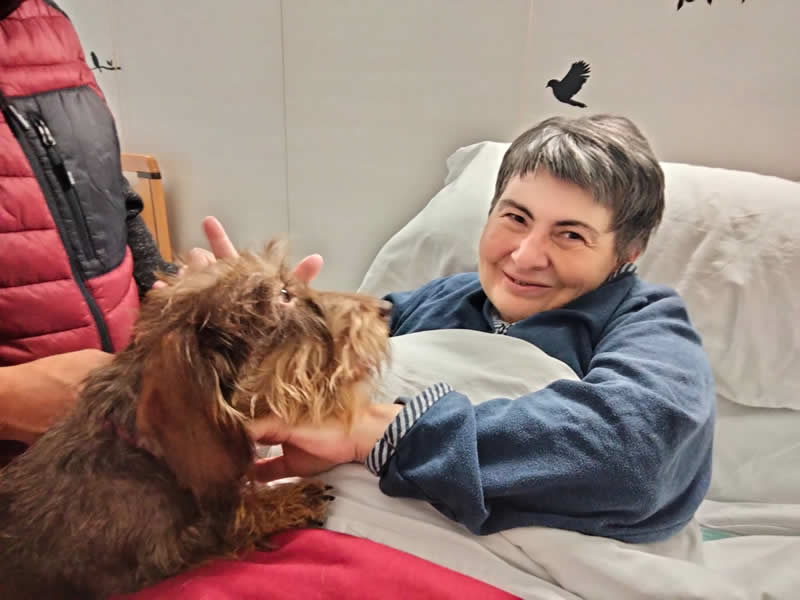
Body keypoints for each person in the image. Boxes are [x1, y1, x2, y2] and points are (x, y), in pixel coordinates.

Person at [246, 114, 716, 545]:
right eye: (515, 218)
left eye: (570, 235)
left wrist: (376, 431)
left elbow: (634, 455)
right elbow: (315, 361)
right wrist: (247, 325)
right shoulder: (438, 299)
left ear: (627, 254)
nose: (525, 256)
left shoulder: (647, 325)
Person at [0, 0, 321, 455]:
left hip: (114, 435)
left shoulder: (48, 24)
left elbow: (112, 199)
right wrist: (8, 398)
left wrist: (182, 298)